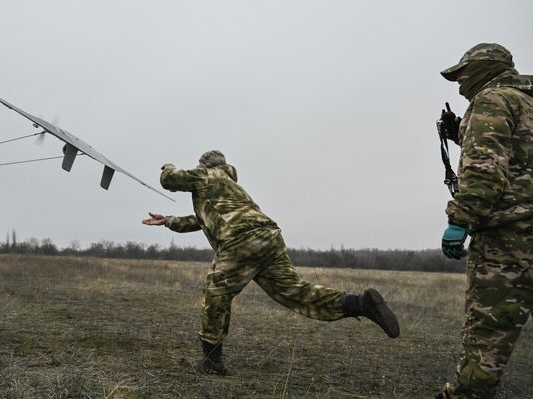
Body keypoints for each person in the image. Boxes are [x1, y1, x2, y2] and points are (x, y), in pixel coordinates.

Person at [143, 150, 399, 375]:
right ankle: (360, 303)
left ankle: (211, 362)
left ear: (204, 166)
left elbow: (169, 180)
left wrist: (167, 167)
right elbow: (199, 221)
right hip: (269, 238)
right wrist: (166, 220)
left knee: (215, 294)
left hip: (242, 241)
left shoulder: (207, 175)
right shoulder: (230, 190)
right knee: (296, 292)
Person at [436, 43, 533, 398]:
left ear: (485, 69)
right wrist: (462, 132)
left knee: (487, 341)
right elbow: (521, 158)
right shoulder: (526, 101)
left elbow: (486, 173)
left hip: (509, 244)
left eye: (462, 72)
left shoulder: (491, 100)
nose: (459, 80)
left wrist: (459, 222)